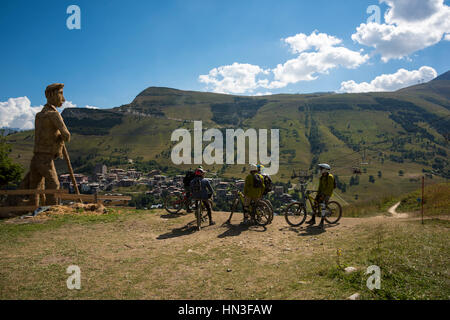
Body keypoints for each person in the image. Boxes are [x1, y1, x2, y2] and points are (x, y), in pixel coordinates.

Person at [28, 83, 71, 206]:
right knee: (54, 184)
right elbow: (67, 135)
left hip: (36, 156)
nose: (63, 99)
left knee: (34, 184)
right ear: (52, 95)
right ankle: (52, 208)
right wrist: (60, 138)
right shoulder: (53, 114)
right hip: (46, 157)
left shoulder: (39, 115)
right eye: (61, 93)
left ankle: (32, 207)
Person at [306, 163, 336, 229]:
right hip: (321, 193)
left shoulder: (330, 177)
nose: (320, 170)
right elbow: (320, 187)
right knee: (315, 204)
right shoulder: (322, 177)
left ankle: (322, 222)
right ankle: (313, 220)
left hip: (327, 194)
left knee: (323, 206)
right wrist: (317, 194)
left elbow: (330, 188)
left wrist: (324, 195)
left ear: (325, 170)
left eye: (321, 168)